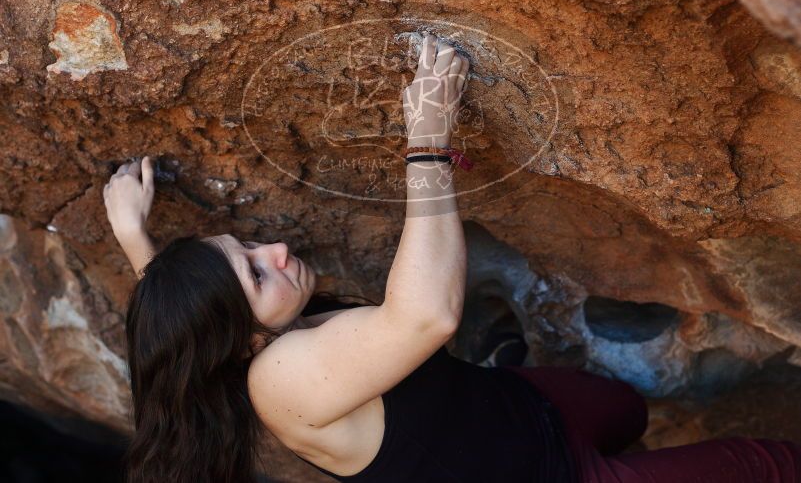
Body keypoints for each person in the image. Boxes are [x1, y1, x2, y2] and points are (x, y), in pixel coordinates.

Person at [105, 34, 801, 483]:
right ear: (246, 339)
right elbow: (428, 318)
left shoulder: (239, 337)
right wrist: (426, 141)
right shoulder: (284, 379)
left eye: (248, 247)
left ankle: (511, 367)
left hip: (516, 409)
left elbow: (192, 324)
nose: (278, 250)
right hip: (550, 477)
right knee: (764, 464)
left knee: (625, 411)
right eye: (257, 271)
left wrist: (142, 244)